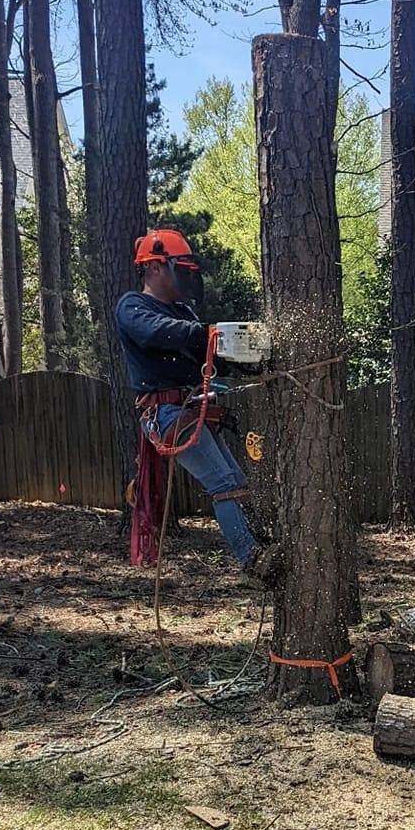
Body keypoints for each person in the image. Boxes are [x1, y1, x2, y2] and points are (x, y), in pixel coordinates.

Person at [115, 229, 276, 584]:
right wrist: (209, 333)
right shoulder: (134, 306)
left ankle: (264, 545)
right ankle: (253, 560)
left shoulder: (183, 311)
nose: (187, 277)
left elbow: (209, 354)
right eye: (180, 268)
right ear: (155, 267)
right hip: (166, 413)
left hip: (191, 407)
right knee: (224, 483)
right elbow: (156, 333)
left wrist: (251, 356)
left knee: (236, 480)